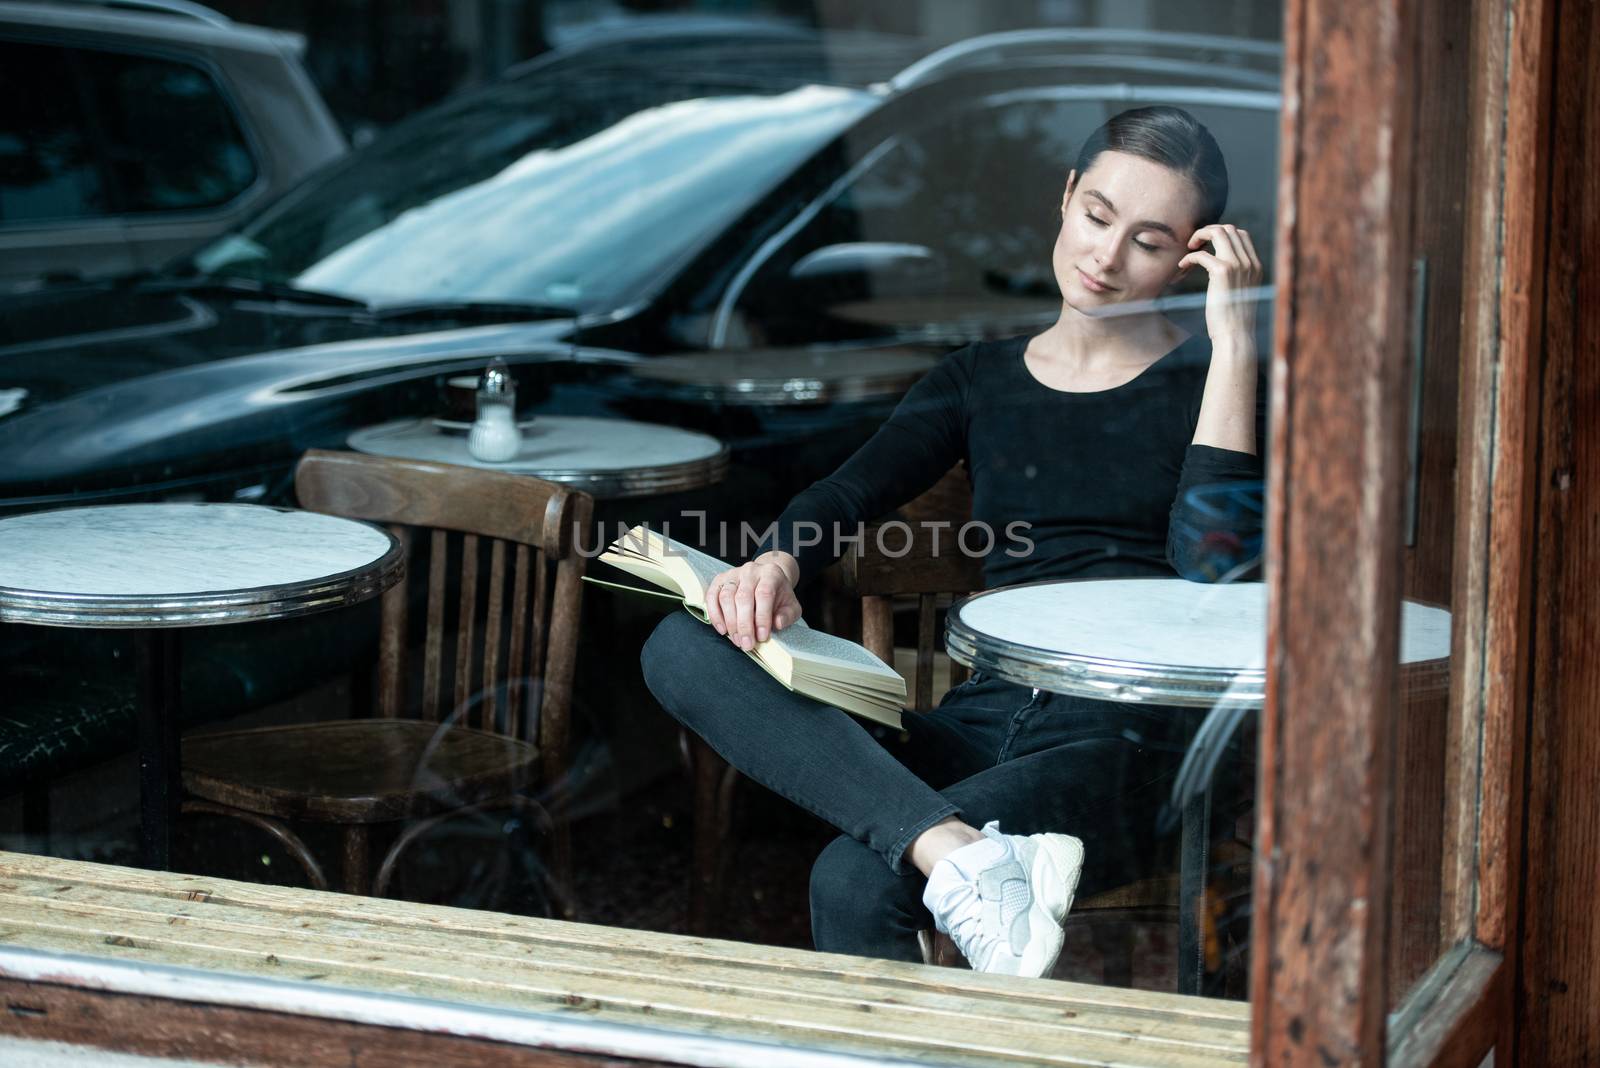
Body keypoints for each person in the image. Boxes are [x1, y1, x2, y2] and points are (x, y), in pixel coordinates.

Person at [641, 105, 1263, 978]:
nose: (1107, 257)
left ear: (1192, 255)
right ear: (1067, 197)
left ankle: (957, 865)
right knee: (682, 640)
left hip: (1127, 741)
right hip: (985, 715)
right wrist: (778, 561)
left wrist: (1233, 340)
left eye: (1151, 242)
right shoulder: (979, 377)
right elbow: (853, 488)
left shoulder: (1217, 383)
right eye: (1097, 217)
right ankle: (969, 861)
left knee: (858, 879)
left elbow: (1213, 569)